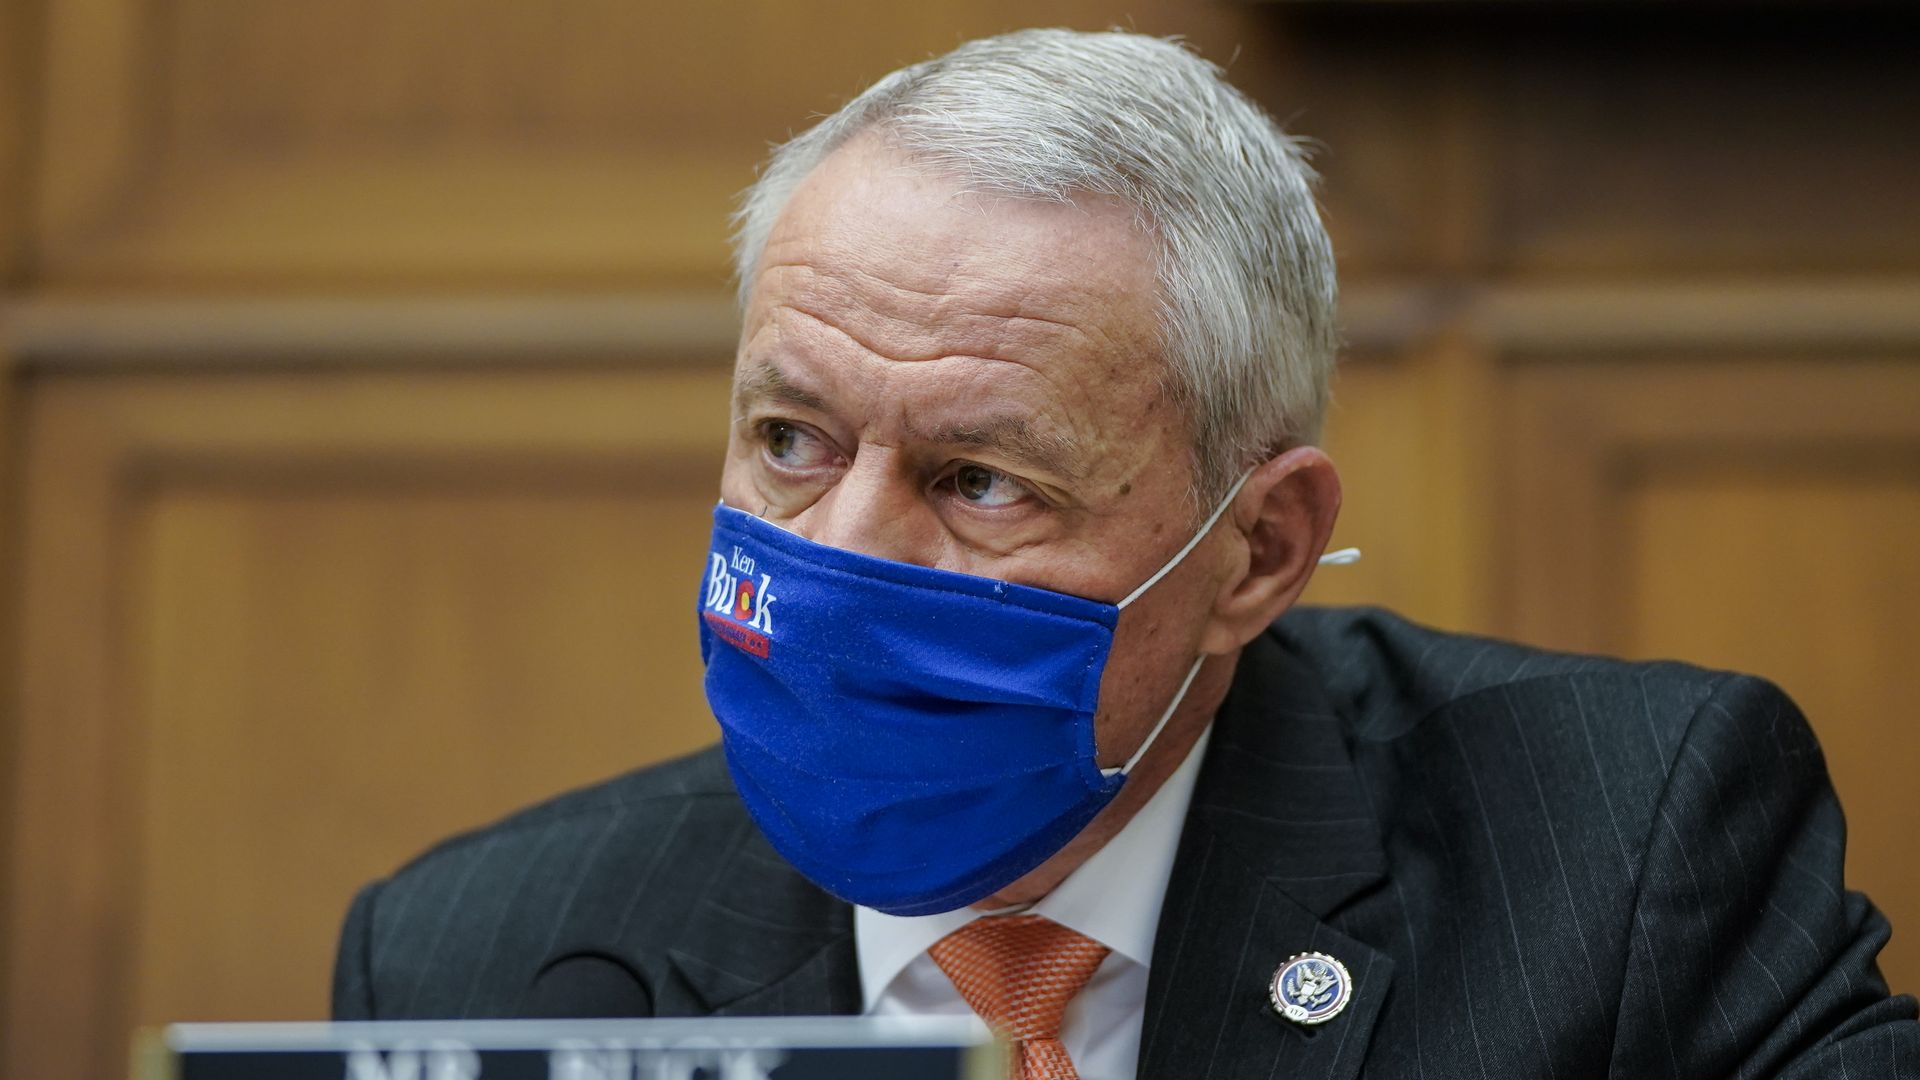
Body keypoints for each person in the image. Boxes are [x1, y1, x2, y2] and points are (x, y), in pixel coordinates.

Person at [332, 28, 1919, 1079]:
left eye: (980, 479)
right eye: (792, 442)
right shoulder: (476, 964)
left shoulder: (1624, 855)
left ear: (1259, 549)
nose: (846, 554)